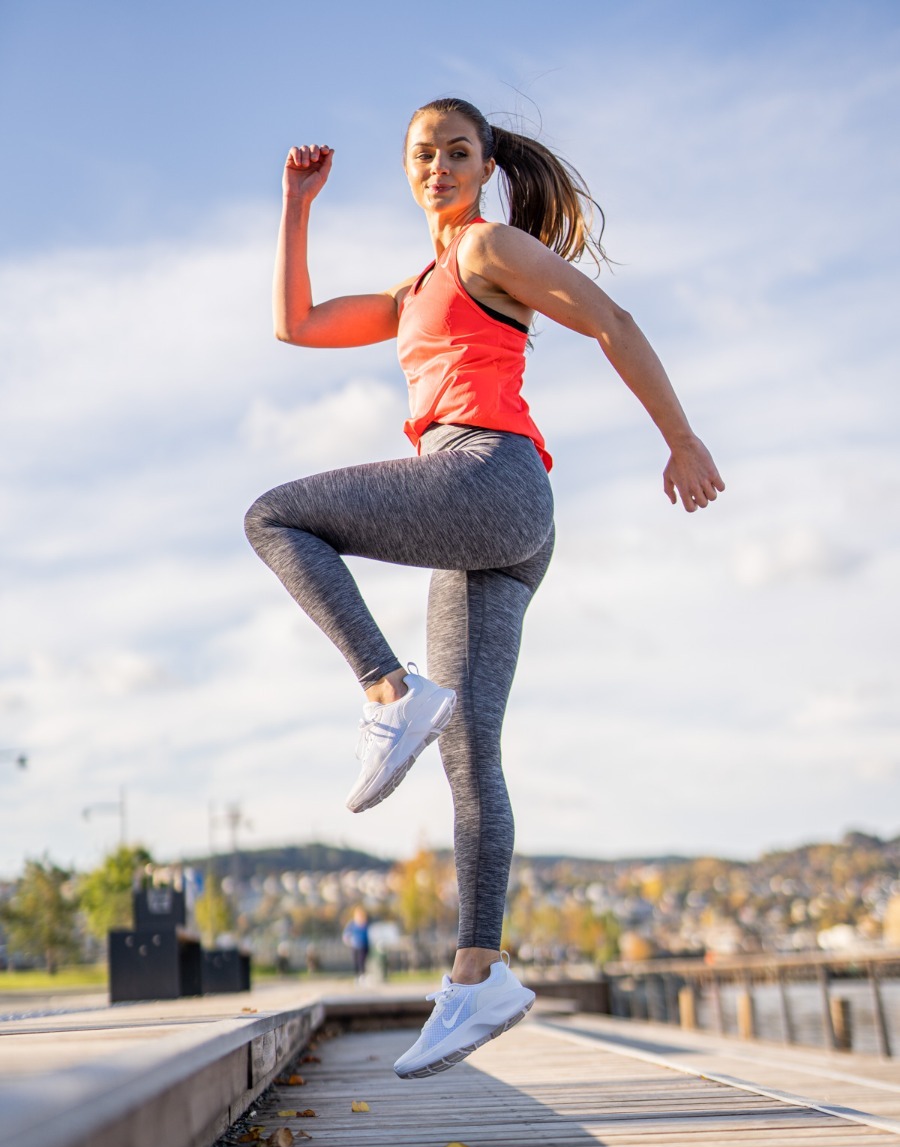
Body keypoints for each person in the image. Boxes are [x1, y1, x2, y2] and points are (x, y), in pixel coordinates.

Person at [245, 97, 725, 1079]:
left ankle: (387, 690)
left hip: (490, 477)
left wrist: (681, 438)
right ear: (408, 166)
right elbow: (295, 324)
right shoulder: (414, 284)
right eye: (423, 153)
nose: (439, 166)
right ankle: (479, 976)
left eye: (457, 152)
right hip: (499, 523)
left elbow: (610, 318)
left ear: (485, 165)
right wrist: (297, 204)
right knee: (468, 752)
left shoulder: (485, 249)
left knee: (276, 516)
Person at [342, 905, 371, 982]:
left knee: (362, 961)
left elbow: (369, 934)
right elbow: (346, 934)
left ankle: (362, 976)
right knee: (356, 962)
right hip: (355, 945)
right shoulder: (352, 924)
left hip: (364, 945)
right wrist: (348, 940)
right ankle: (357, 976)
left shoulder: (366, 924)